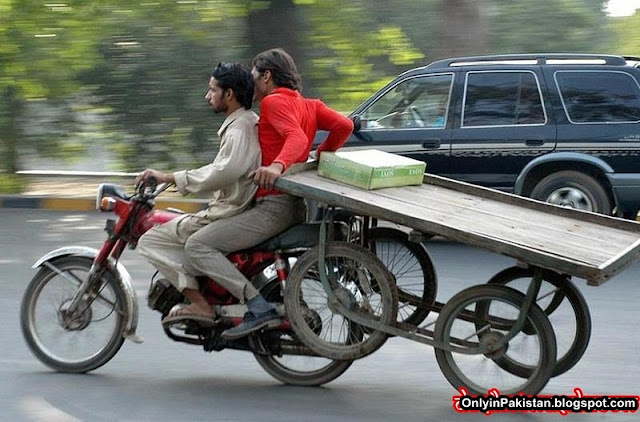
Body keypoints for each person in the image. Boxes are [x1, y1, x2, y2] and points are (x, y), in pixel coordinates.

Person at [182, 47, 354, 340]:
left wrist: (277, 166)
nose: (251, 84)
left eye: (254, 76)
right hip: (295, 205)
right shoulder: (308, 105)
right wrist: (322, 152)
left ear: (267, 76)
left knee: (197, 246)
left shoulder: (273, 103)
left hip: (272, 207)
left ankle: (257, 307)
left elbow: (296, 138)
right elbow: (344, 125)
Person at [135, 62, 260, 325]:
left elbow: (223, 172)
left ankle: (200, 304)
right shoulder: (242, 124)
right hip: (228, 207)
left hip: (229, 211)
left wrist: (171, 177)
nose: (208, 96)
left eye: (212, 90)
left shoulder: (240, 128)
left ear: (229, 94)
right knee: (175, 225)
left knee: (150, 241)